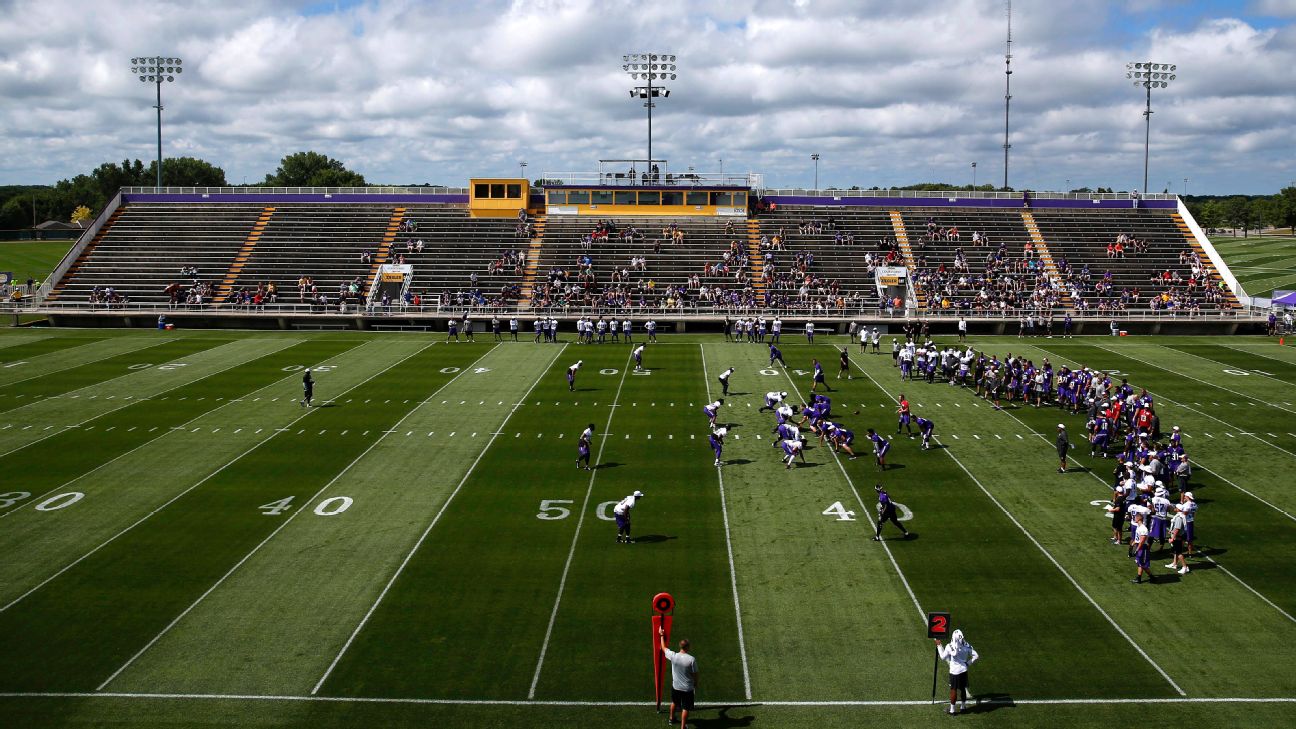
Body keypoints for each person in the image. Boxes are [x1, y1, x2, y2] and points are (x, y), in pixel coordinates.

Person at [658, 625, 698, 729]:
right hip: (687, 689)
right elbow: (695, 674)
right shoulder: (691, 659)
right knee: (685, 708)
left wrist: (661, 635)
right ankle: (683, 726)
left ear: (680, 647)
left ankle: (671, 719)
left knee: (674, 702)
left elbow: (663, 648)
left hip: (675, 686)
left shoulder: (673, 656)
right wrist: (695, 683)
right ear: (687, 647)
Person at [935, 629, 979, 715]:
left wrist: (939, 645)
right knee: (962, 689)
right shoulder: (966, 646)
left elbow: (943, 657)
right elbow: (976, 656)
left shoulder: (949, 646)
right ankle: (963, 707)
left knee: (953, 689)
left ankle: (952, 710)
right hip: (963, 670)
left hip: (954, 672)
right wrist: (967, 663)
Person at [1130, 512, 1152, 584]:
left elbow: (1142, 540)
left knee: (1143, 564)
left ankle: (1148, 577)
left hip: (1142, 547)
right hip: (1139, 547)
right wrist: (1133, 544)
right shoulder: (1139, 527)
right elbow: (1138, 539)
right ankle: (1140, 578)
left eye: (1135, 517)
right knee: (1140, 563)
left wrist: (1137, 549)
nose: (1134, 518)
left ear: (1139, 518)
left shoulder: (1143, 528)